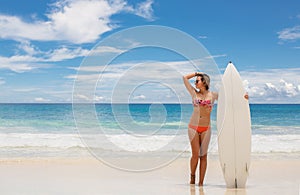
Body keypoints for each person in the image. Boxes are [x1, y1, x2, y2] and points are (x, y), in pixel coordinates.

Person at [183, 72, 249, 186]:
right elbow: (184, 78)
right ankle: (192, 176)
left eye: (197, 80)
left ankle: (201, 183)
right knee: (195, 154)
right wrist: (197, 73)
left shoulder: (213, 95)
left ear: (204, 82)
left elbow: (229, 99)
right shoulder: (194, 93)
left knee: (203, 155)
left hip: (206, 128)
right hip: (193, 127)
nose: (195, 83)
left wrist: (243, 97)